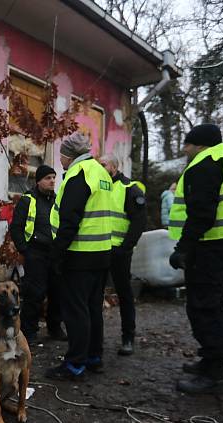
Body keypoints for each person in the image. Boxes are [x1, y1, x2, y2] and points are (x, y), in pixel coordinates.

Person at [168, 124, 223, 394]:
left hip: (208, 246)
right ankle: (210, 360)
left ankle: (213, 372)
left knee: (203, 306)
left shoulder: (204, 165)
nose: (184, 148)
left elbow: (202, 213)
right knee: (212, 303)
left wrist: (183, 248)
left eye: (187, 143)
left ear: (199, 144)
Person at [45, 133, 113, 380]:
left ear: (69, 155)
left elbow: (70, 220)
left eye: (61, 155)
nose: (60, 160)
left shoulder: (78, 174)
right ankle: (94, 357)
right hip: (102, 253)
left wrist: (57, 255)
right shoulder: (101, 173)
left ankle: (75, 364)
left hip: (79, 255)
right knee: (93, 309)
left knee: (76, 311)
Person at [8, 164, 67, 345]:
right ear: (39, 181)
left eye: (53, 178)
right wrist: (24, 249)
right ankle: (29, 331)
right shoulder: (28, 200)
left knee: (57, 292)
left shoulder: (57, 201)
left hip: (54, 253)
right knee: (35, 293)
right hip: (35, 252)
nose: (52, 181)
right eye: (48, 178)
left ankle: (54, 327)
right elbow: (16, 227)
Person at [100, 154, 146, 356]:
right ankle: (95, 340)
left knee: (125, 294)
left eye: (103, 165)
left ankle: (128, 337)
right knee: (94, 296)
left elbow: (138, 222)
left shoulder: (129, 189)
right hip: (98, 250)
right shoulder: (98, 186)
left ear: (114, 166)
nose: (100, 168)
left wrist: (125, 247)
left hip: (119, 252)